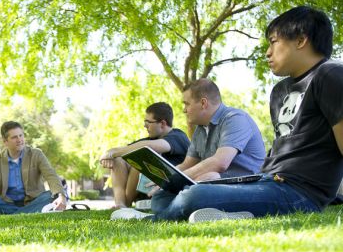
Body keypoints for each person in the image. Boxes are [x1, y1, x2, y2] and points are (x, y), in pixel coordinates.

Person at [112, 6, 343, 223]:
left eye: (274, 42)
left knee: (193, 196)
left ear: (301, 40)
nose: (267, 52)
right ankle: (238, 214)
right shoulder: (280, 91)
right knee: (167, 194)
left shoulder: (330, 76)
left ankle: (150, 220)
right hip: (268, 180)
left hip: (302, 191)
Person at [112, 77, 266, 220]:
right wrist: (166, 181)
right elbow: (187, 164)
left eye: (186, 104)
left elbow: (220, 163)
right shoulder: (200, 129)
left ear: (203, 103)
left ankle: (150, 218)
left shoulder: (235, 119)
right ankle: (220, 213)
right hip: (211, 186)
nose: (184, 110)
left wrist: (177, 179)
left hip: (244, 188)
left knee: (206, 180)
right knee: (160, 197)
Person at [99, 102, 190, 208]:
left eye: (148, 122)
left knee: (141, 157)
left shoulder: (178, 136)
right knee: (119, 159)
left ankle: (125, 206)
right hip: (147, 190)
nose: (145, 126)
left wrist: (113, 153)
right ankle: (120, 204)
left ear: (162, 123)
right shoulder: (152, 139)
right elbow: (124, 150)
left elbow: (148, 147)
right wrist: (109, 154)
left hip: (170, 190)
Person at [0, 121, 67, 216]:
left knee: (51, 195)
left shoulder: (36, 154)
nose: (19, 140)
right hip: (8, 204)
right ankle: (30, 213)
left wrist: (61, 196)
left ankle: (15, 215)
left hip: (34, 202)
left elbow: (51, 175)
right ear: (5, 142)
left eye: (21, 135)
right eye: (14, 137)